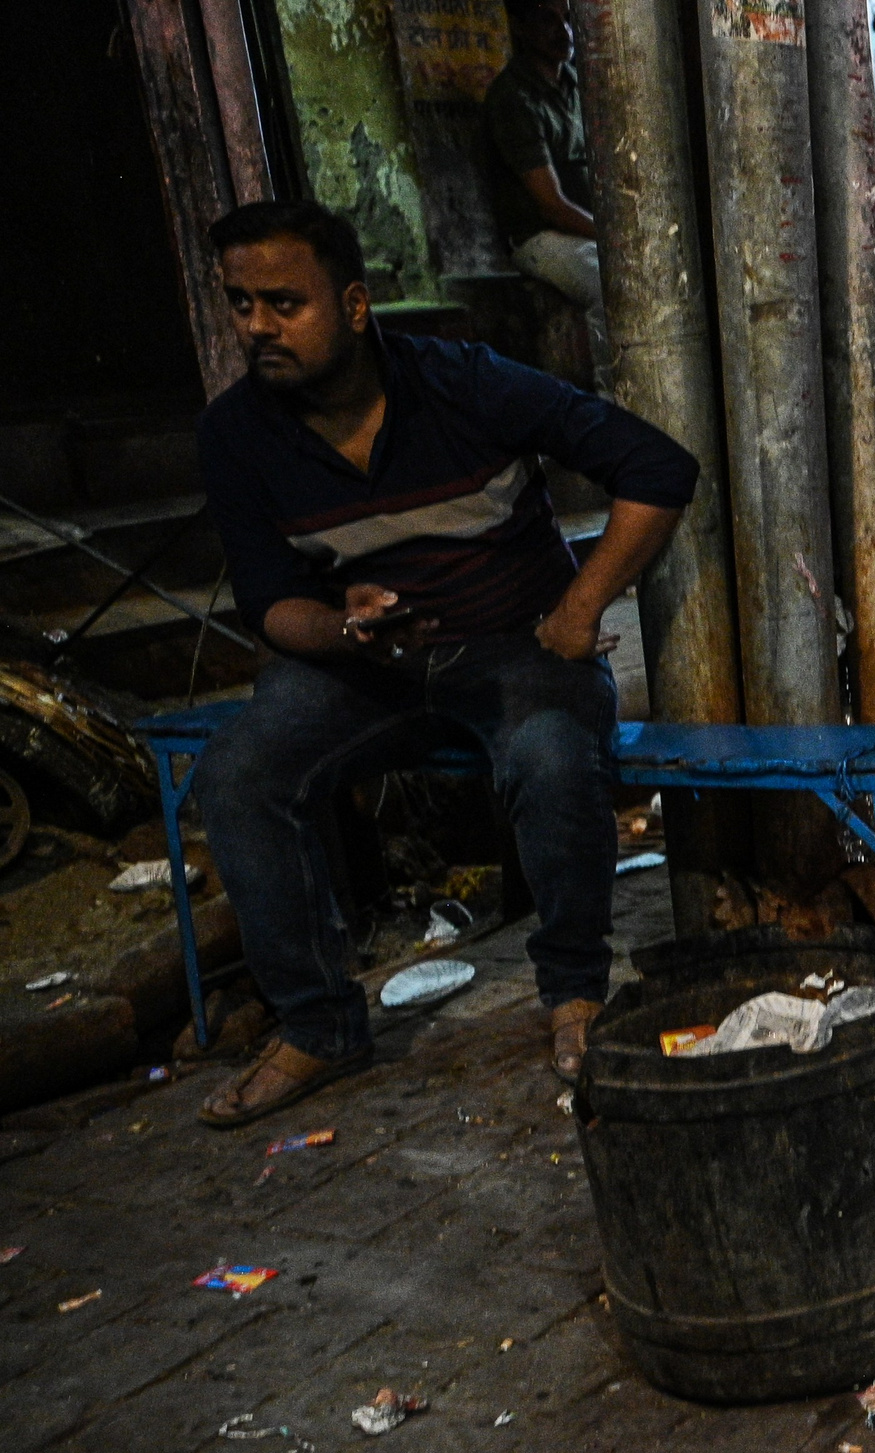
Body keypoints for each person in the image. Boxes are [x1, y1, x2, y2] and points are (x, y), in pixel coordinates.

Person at [190, 200, 699, 1126]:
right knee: (237, 774)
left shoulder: (468, 384)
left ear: (352, 305)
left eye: (282, 303)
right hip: (371, 668)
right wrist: (343, 630)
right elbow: (272, 607)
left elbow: (658, 469)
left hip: (517, 648)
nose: (256, 327)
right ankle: (317, 1025)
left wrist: (579, 612)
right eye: (239, 304)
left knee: (550, 755)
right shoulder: (237, 435)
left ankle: (576, 995)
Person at [483, 0, 606, 359]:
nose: (564, 31)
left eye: (568, 19)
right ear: (521, 28)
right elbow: (551, 206)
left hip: (583, 230)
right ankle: (612, 397)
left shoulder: (575, 82)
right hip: (539, 237)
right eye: (548, 21)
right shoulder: (513, 98)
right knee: (610, 287)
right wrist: (611, 237)